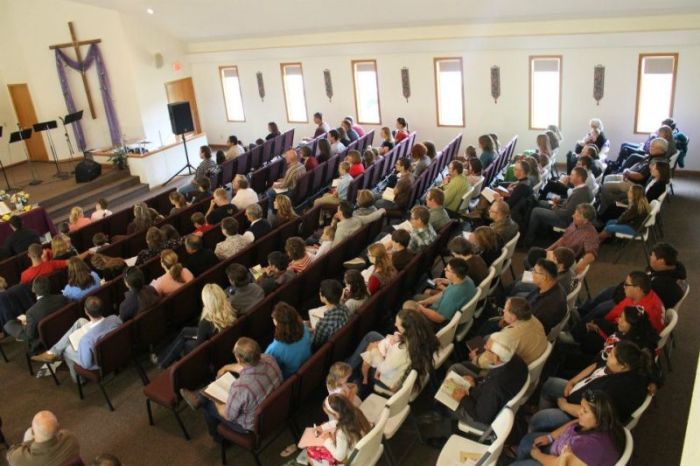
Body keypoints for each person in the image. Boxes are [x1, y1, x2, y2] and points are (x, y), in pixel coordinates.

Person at [532, 340, 652, 433]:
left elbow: (592, 414)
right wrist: (572, 382)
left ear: (623, 366)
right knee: (550, 384)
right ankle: (548, 424)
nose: (609, 354)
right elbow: (595, 366)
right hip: (577, 393)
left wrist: (564, 406)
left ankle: (546, 436)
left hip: (577, 417)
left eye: (612, 355)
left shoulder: (614, 389)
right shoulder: (620, 368)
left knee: (537, 420)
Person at [179, 337, 282, 438]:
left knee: (207, 404)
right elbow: (246, 367)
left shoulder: (241, 387)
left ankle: (216, 436)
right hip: (273, 410)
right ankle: (198, 396)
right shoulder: (269, 358)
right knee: (220, 389)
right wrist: (226, 367)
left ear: (238, 358)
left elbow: (227, 415)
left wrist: (215, 399)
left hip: (250, 426)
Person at [432, 339, 528, 433]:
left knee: (444, 402)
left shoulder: (495, 387)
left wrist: (463, 398)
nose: (484, 347)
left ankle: (439, 418)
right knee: (455, 368)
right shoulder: (514, 358)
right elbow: (490, 380)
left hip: (483, 417)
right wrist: (476, 381)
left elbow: (481, 416)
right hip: (488, 396)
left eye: (488, 350)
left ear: (496, 357)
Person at [512, 390, 625, 466]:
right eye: (581, 407)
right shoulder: (603, 423)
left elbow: (558, 464)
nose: (579, 412)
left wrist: (537, 455)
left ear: (600, 417)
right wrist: (550, 437)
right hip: (559, 449)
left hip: (556, 461)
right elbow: (574, 423)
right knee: (527, 441)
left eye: (585, 411)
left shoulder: (588, 447)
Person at [347, 308, 438, 396]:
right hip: (397, 366)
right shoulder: (420, 337)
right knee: (372, 336)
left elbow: (384, 369)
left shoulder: (402, 351)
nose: (395, 325)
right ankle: (350, 365)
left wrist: (374, 349)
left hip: (387, 380)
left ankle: (351, 374)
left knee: (367, 355)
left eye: (397, 324)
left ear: (406, 329)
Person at [32, 297, 121, 382]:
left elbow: (87, 364)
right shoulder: (115, 318)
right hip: (114, 348)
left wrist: (78, 346)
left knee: (67, 349)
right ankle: (52, 352)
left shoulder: (86, 340)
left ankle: (79, 380)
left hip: (100, 361)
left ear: (86, 311)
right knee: (80, 321)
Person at [157, 283, 236, 368]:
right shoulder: (231, 309)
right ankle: (162, 360)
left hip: (212, 351)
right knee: (185, 331)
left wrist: (197, 337)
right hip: (219, 339)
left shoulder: (206, 322)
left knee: (187, 343)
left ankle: (163, 364)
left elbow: (199, 348)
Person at [3, 276, 69, 354]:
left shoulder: (31, 312)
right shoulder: (62, 298)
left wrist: (26, 325)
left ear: (33, 290)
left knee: (9, 325)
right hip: (64, 331)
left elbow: (30, 336)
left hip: (43, 343)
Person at [402, 258, 476, 327]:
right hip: (441, 307)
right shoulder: (465, 279)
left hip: (437, 321)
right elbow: (444, 293)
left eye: (447, 269)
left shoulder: (453, 296)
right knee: (417, 297)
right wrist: (426, 301)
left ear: (454, 274)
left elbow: (439, 319)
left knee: (407, 305)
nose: (444, 269)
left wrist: (421, 309)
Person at [474, 297, 548, 365]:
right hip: (532, 356)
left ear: (513, 317)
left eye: (505, 309)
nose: (503, 310)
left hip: (514, 367)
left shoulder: (508, 337)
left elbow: (487, 362)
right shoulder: (533, 319)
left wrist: (476, 359)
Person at [599, 137, 668, 210]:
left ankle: (606, 208)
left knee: (605, 187)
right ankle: (608, 203)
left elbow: (640, 176)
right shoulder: (653, 155)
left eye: (653, 147)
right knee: (607, 178)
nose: (650, 148)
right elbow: (639, 165)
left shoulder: (656, 162)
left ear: (661, 150)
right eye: (651, 146)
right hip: (630, 176)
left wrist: (628, 172)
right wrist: (627, 170)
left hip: (635, 184)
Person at [305, 395, 371, 466]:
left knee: (310, 453)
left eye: (331, 415)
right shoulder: (355, 412)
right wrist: (322, 427)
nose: (333, 418)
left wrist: (327, 440)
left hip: (352, 461)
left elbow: (339, 457)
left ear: (336, 414)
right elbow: (336, 422)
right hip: (364, 452)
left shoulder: (342, 431)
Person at [6, 411, 80, 466]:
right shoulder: (70, 438)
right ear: (58, 427)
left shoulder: (19, 460)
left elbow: (10, 454)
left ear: (33, 434)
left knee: (27, 433)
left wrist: (29, 442)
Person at [544, 203, 599, 275]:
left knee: (531, 261)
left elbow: (591, 255)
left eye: (576, 215)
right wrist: (547, 250)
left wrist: (574, 273)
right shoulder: (574, 223)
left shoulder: (590, 234)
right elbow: (563, 239)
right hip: (556, 254)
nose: (572, 216)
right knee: (534, 255)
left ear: (585, 220)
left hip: (562, 261)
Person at [265, 302, 311, 378]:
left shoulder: (274, 349)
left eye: (274, 318)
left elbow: (266, 367)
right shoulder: (305, 328)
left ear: (278, 323)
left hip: (290, 377)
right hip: (307, 366)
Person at [525, 259, 568, 334]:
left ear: (544, 277)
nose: (532, 273)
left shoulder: (550, 305)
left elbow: (530, 327)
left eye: (535, 271)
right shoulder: (548, 286)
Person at [310, 279, 350, 349]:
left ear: (325, 298)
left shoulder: (322, 324)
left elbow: (315, 345)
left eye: (320, 292)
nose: (319, 293)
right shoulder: (345, 308)